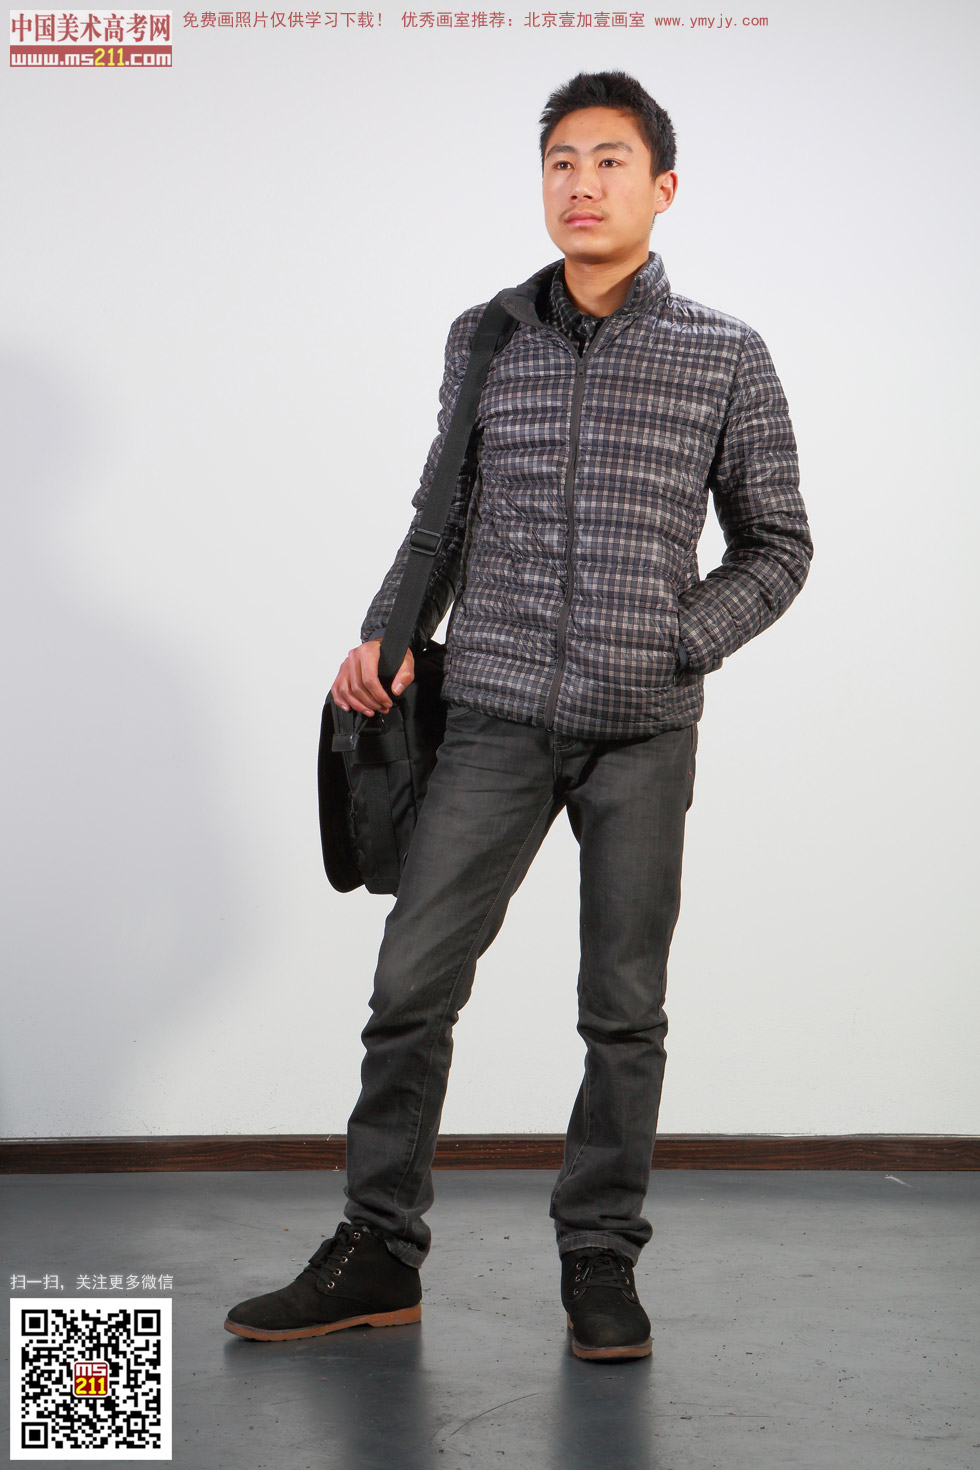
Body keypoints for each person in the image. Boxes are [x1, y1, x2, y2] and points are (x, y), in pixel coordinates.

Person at [225, 70, 813, 1361]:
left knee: (623, 1008)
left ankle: (600, 1255)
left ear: (663, 187)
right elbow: (439, 514)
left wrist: (676, 641)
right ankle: (378, 1247)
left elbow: (778, 546)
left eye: (610, 161)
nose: (581, 184)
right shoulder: (485, 335)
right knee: (410, 986)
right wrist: (386, 633)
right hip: (490, 714)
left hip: (641, 729)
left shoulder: (725, 353)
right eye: (561, 162)